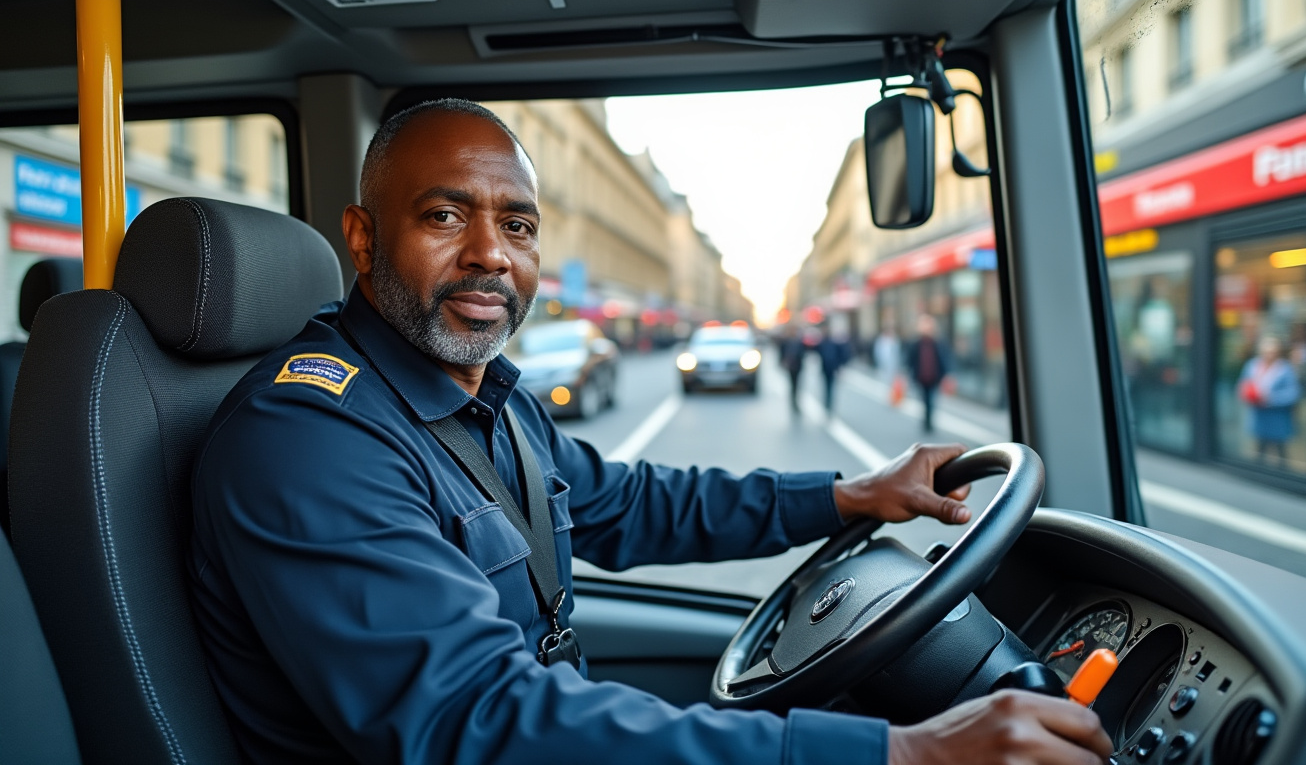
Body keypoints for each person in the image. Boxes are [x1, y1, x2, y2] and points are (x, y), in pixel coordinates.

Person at [190, 98, 1111, 765]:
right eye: (443, 215)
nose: (490, 254)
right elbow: (472, 718)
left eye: (518, 224)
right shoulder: (307, 438)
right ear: (361, 237)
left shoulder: (486, 402)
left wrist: (851, 496)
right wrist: (902, 756)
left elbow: (628, 504)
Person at [1238, 335, 1301, 467]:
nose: (1268, 355)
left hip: (1277, 417)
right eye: (1266, 352)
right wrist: (1247, 394)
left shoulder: (1285, 369)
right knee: (1260, 449)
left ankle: (1283, 475)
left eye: (1272, 352)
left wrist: (1270, 398)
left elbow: (1293, 394)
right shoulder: (1252, 365)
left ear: (1278, 352)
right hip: (1259, 416)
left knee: (1280, 450)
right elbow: (1243, 384)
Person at [905, 314, 953, 433]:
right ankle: (926, 420)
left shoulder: (938, 343)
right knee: (924, 400)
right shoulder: (916, 343)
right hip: (921, 377)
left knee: (932, 400)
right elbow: (910, 360)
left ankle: (929, 422)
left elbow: (945, 359)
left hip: (934, 377)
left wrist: (947, 374)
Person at [816, 321, 853, 413]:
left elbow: (842, 354)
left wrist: (839, 365)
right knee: (827, 386)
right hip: (825, 368)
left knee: (830, 387)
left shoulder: (834, 342)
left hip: (832, 368)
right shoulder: (822, 342)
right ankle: (827, 404)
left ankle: (829, 404)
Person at [779, 322, 807, 414]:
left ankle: (796, 401)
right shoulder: (786, 341)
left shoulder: (799, 341)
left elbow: (803, 352)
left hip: (798, 365)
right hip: (790, 366)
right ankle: (793, 401)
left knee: (797, 384)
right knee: (792, 384)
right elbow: (781, 353)